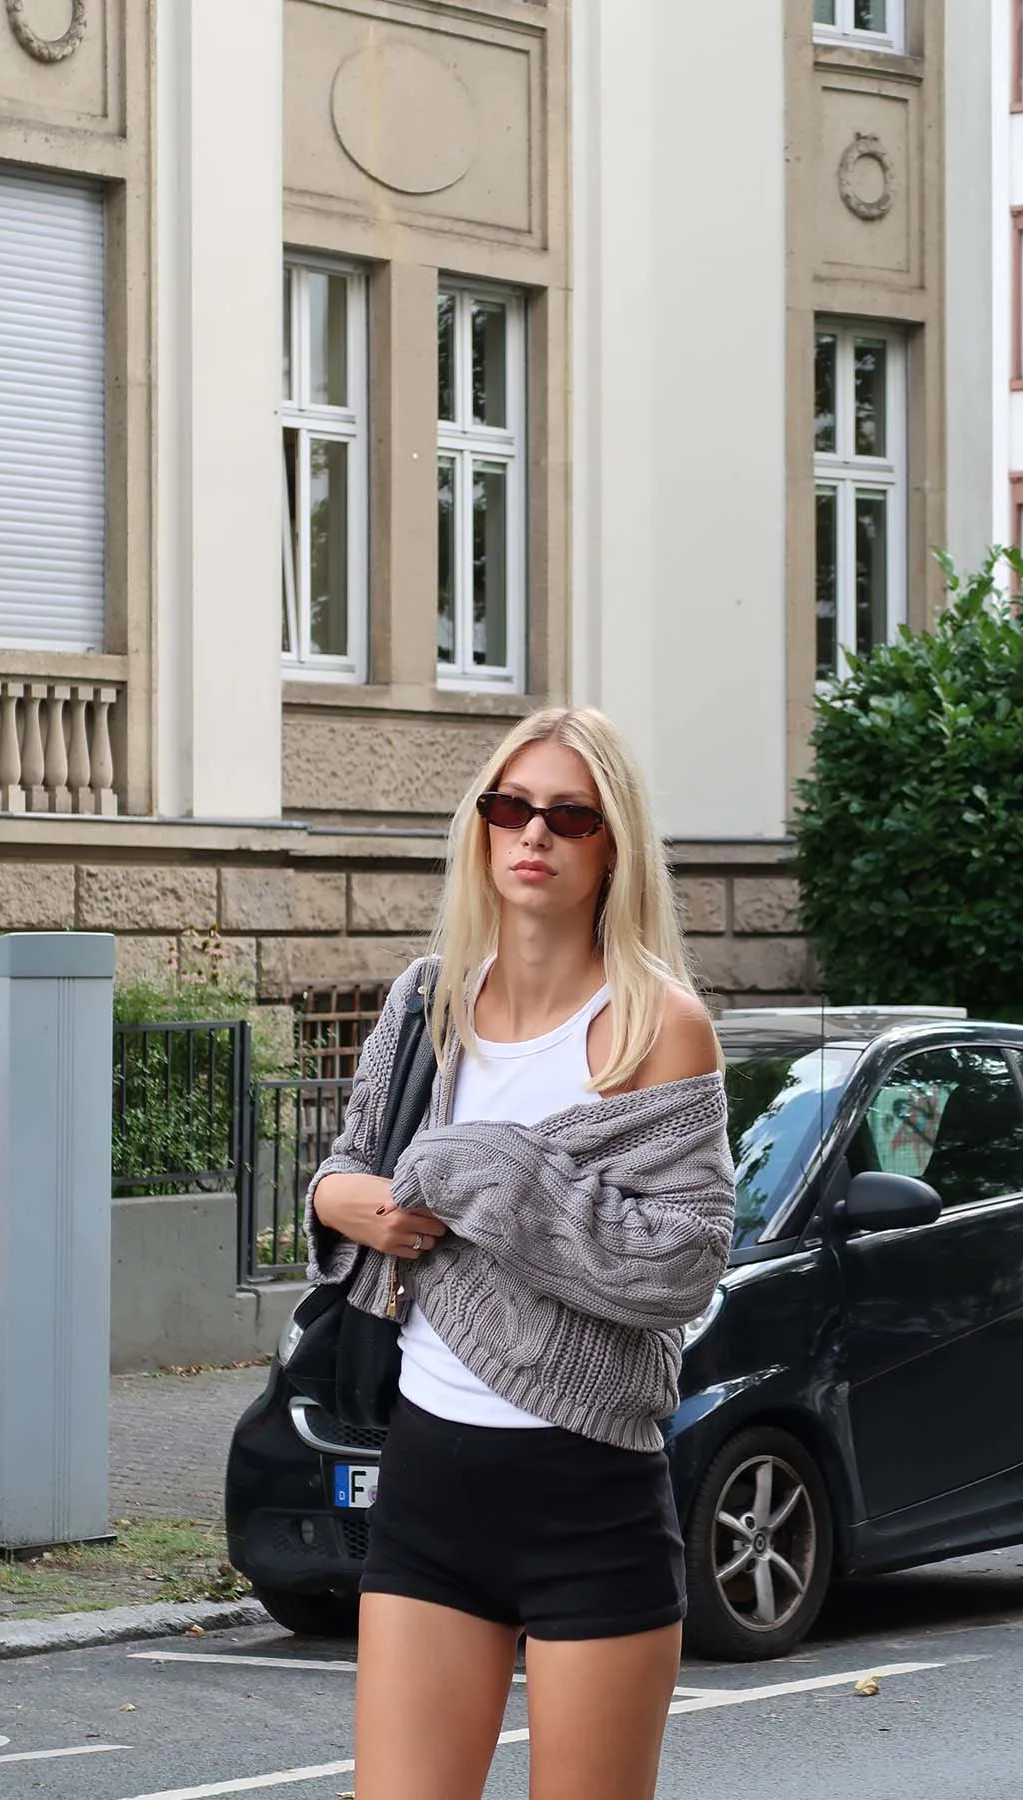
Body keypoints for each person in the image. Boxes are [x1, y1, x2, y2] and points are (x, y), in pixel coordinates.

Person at [306, 705, 735, 1800]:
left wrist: (489, 1171)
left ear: (612, 847)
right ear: (482, 830)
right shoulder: (427, 1003)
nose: (532, 834)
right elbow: (345, 1174)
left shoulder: (657, 1025)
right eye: (510, 808)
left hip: (589, 1497)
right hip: (430, 1480)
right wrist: (364, 1204)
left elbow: (679, 1266)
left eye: (568, 816)